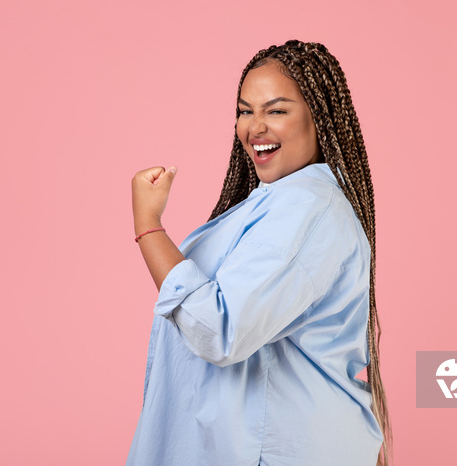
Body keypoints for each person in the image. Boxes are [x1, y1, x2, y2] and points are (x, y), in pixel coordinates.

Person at [128, 40, 391, 466]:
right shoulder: (277, 202)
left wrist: (149, 227)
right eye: (245, 110)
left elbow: (220, 329)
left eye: (277, 110)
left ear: (318, 119)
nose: (255, 127)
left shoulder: (306, 208)